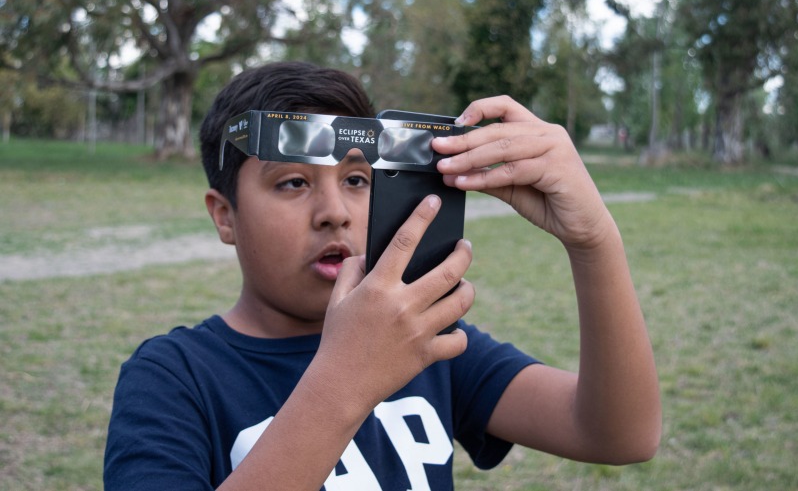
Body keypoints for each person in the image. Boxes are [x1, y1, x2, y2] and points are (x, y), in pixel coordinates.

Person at [104, 61, 661, 490]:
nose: (335, 211)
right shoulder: (173, 378)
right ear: (225, 215)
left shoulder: (426, 344)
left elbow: (620, 434)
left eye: (356, 179)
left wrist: (593, 242)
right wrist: (347, 377)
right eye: (293, 183)